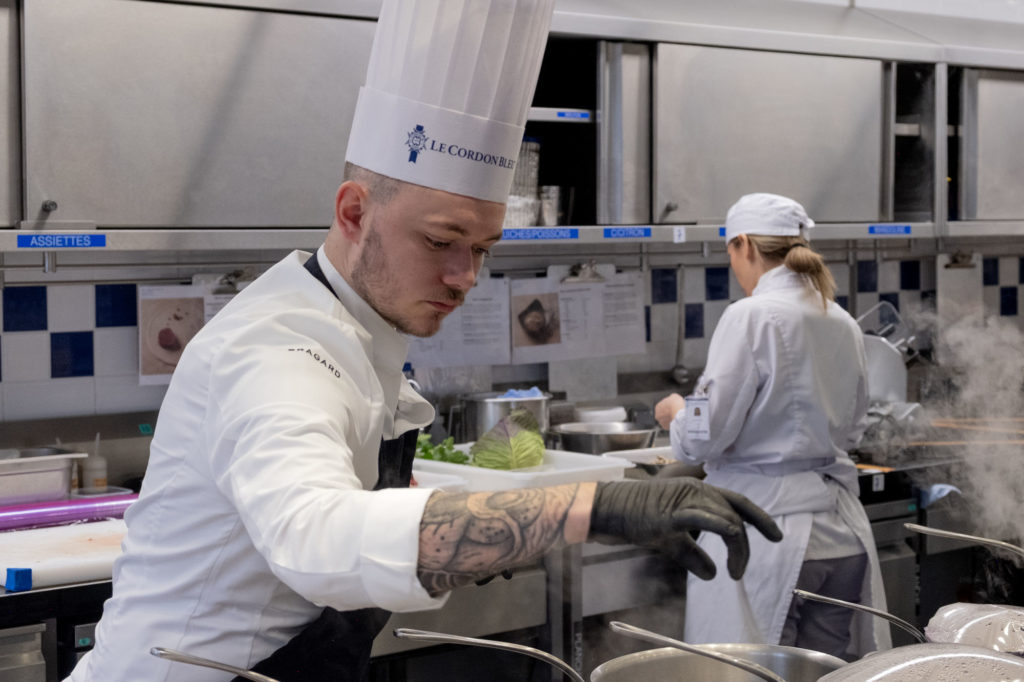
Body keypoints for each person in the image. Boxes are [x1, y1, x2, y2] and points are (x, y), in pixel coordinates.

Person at [65, 3, 781, 681]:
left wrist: (502, 536)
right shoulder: (275, 352)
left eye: (483, 248)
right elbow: (318, 535)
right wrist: (593, 507)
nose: (465, 275)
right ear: (354, 212)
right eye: (440, 240)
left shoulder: (361, 338)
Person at [654, 193, 891, 661]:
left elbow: (703, 437)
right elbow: (855, 426)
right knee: (827, 672)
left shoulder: (750, 316)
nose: (733, 264)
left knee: (754, 671)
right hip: (841, 533)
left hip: (770, 534)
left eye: (730, 251)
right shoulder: (840, 318)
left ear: (743, 244)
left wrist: (677, 413)